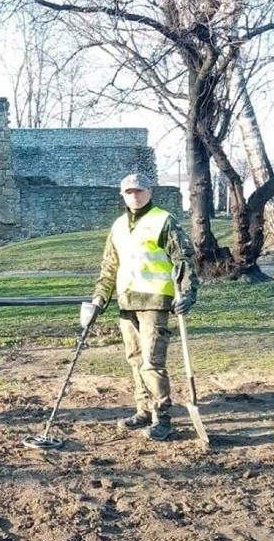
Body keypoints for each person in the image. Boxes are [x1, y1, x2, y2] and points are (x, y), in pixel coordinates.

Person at [84, 172, 198, 442]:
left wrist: (188, 293)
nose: (134, 196)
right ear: (122, 195)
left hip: (155, 301)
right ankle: (143, 410)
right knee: (135, 360)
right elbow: (110, 265)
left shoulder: (164, 220)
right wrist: (100, 296)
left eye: (139, 191)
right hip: (126, 301)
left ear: (149, 192)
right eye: (128, 192)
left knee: (151, 363)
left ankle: (163, 418)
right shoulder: (119, 226)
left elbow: (183, 260)